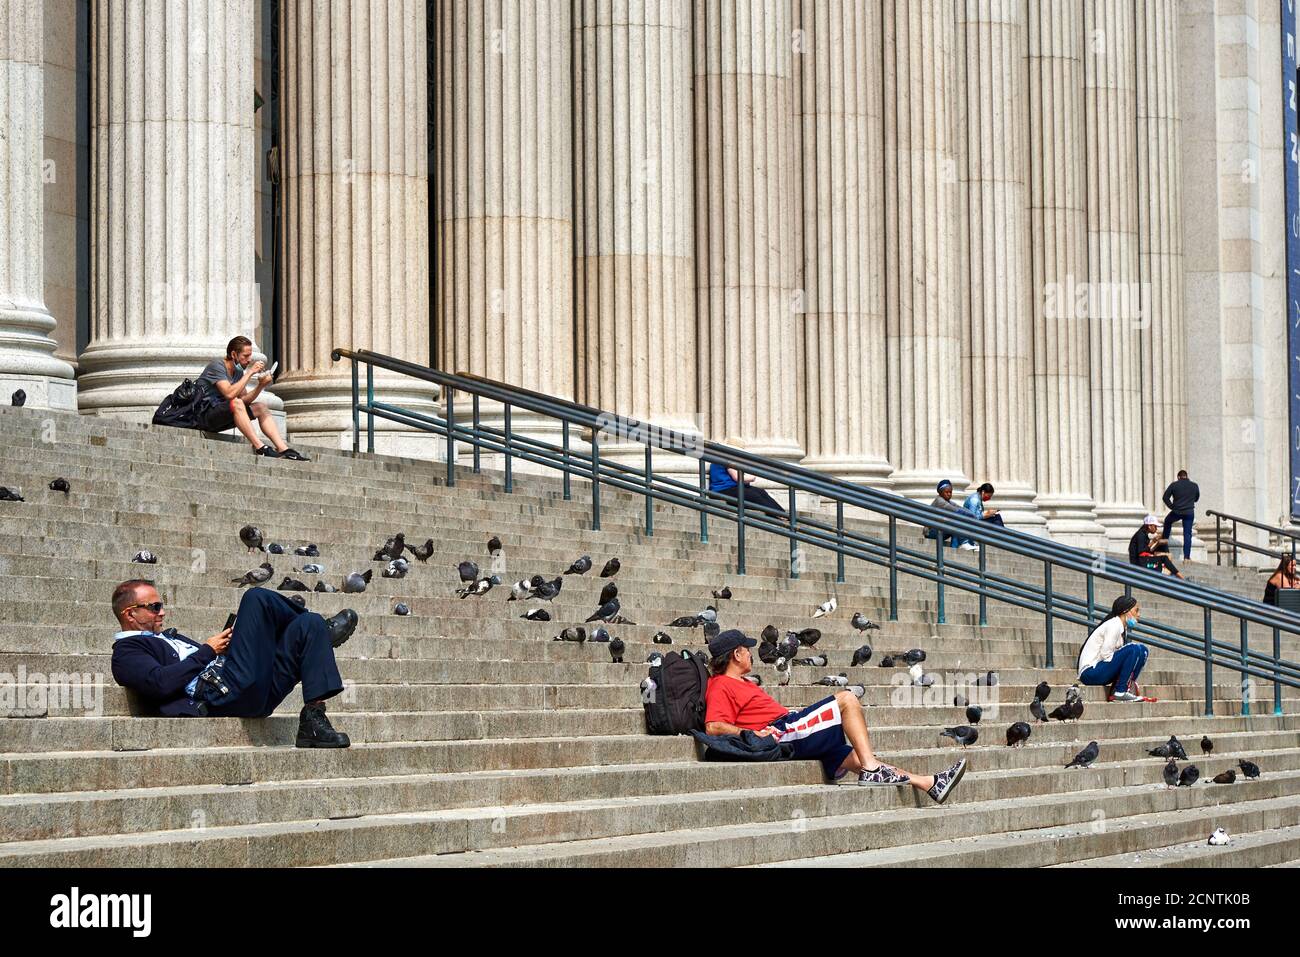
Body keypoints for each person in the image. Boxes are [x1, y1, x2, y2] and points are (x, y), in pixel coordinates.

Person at [702, 629, 967, 803]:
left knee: (852, 754)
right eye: (746, 649)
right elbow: (713, 726)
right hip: (779, 732)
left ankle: (929, 783)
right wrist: (750, 733)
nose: (751, 653)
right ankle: (873, 771)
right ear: (736, 654)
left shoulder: (744, 682)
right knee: (847, 699)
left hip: (788, 728)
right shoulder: (721, 684)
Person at [109, 580, 357, 747]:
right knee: (256, 597)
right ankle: (323, 634)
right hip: (219, 695)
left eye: (161, 605)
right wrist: (208, 650)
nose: (162, 612)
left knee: (308, 624)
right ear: (130, 614)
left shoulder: (165, 636)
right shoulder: (126, 652)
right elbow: (159, 683)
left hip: (245, 688)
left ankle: (313, 723)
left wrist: (223, 647)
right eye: (154, 607)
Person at [197, 336, 309, 460]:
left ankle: (284, 449)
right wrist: (250, 373)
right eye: (245, 356)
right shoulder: (217, 366)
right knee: (236, 402)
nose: (249, 360)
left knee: (261, 407)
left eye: (250, 356)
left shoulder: (238, 372)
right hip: (202, 415)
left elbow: (245, 400)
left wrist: (261, 385)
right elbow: (229, 394)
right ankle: (260, 447)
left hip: (219, 415)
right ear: (234, 354)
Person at [1077, 596, 1154, 702]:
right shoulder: (1114, 625)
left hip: (1100, 669)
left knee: (1143, 650)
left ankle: (1124, 688)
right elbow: (1105, 655)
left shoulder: (1122, 628)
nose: (1139, 614)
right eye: (1136, 610)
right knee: (1133, 649)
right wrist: (1121, 659)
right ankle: (1120, 691)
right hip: (1089, 673)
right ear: (1125, 611)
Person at [708, 452, 786, 518]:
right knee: (755, 495)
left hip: (729, 488)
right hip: (723, 490)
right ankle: (779, 514)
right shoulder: (727, 460)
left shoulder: (720, 459)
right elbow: (738, 478)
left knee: (760, 491)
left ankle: (782, 513)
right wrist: (752, 477)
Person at [1160, 469, 1200, 562]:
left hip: (1177, 511)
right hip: (1189, 512)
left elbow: (1165, 497)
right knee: (1187, 534)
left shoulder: (1174, 485)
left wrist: (1172, 507)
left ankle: (1164, 547)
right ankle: (1186, 557)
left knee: (1167, 521)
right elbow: (1196, 498)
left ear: (1178, 477)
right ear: (1187, 476)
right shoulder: (1194, 485)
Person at [1128, 514, 1183, 578]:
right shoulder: (1141, 535)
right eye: (1155, 526)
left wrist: (1157, 544)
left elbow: (1146, 550)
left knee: (1163, 545)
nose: (1156, 528)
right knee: (1164, 558)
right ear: (1149, 526)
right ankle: (1180, 576)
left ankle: (1169, 570)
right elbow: (1141, 551)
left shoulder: (1144, 534)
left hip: (1142, 559)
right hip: (1140, 563)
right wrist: (1153, 542)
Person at [925, 479, 974, 550]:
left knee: (957, 521)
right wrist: (971, 516)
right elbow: (956, 510)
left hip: (941, 529)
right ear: (940, 492)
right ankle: (963, 543)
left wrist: (972, 515)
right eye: (946, 492)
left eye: (950, 492)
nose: (949, 494)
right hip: (931, 532)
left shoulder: (949, 501)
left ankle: (956, 547)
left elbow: (960, 508)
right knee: (956, 521)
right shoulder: (940, 501)